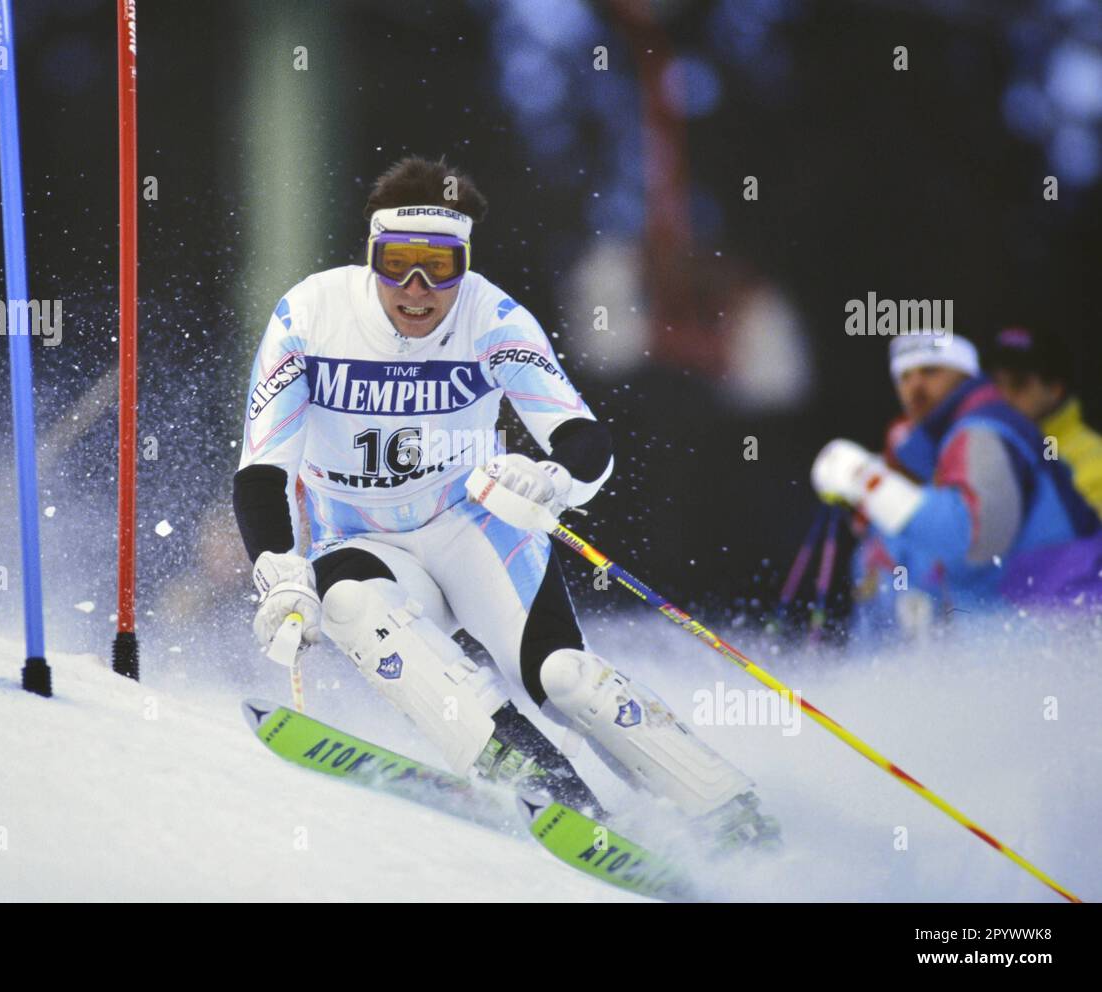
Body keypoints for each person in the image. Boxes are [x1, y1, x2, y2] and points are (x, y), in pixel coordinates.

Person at [233, 156, 777, 848]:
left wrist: (549, 481)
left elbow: (584, 439)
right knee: (347, 604)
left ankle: (731, 812)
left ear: (466, 264)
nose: (419, 288)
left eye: (443, 265)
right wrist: (280, 574)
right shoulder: (309, 317)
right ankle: (535, 775)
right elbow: (261, 469)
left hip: (477, 534)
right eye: (398, 261)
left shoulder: (492, 318)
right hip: (365, 544)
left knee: (563, 677)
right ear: (371, 256)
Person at [812, 332, 1101, 626]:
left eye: (931, 371)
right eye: (904, 377)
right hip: (1034, 635)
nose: (916, 386)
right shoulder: (943, 444)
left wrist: (867, 481)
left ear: (966, 374)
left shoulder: (985, 431)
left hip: (1062, 632)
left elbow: (975, 538)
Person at [987, 326, 1102, 518]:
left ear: (1055, 389)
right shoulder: (984, 449)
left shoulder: (1094, 460)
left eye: (1018, 383)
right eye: (996, 383)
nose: (1003, 396)